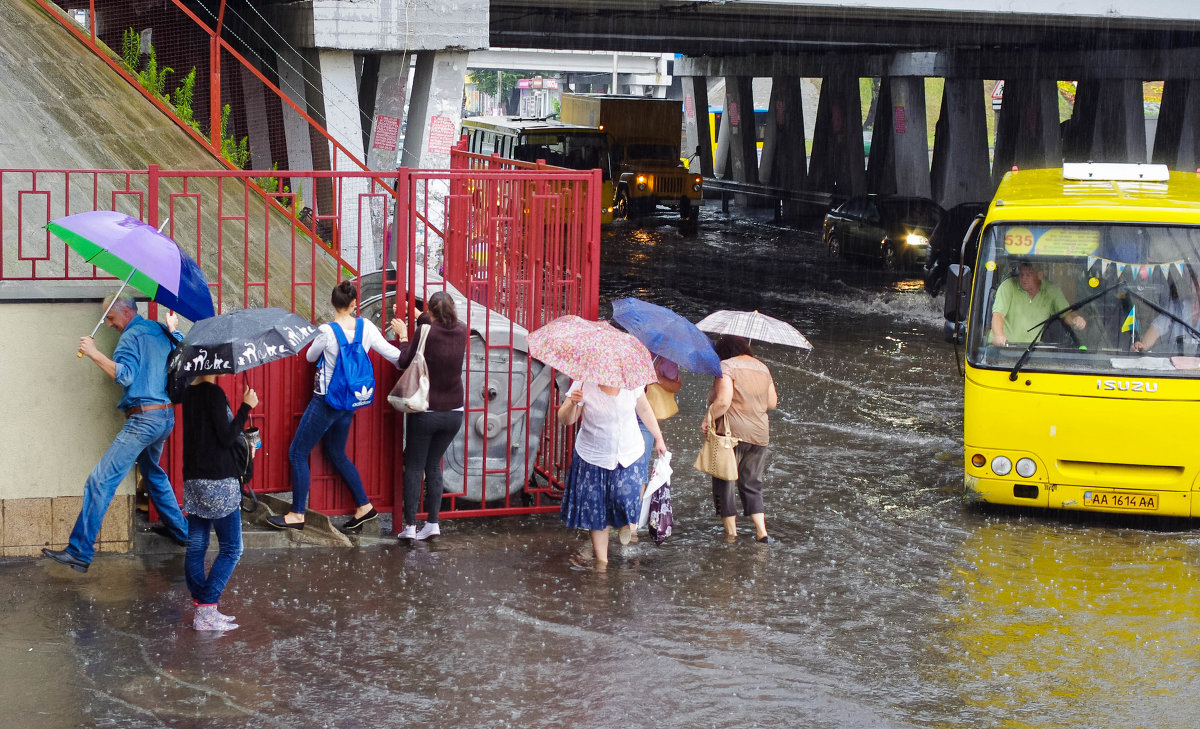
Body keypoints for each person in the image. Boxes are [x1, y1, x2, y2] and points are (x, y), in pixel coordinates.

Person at [43, 295, 190, 572]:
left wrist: (93, 353)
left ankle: (79, 551)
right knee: (153, 473)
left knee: (99, 481)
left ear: (124, 311)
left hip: (143, 419)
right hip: (165, 417)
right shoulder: (160, 329)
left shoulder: (130, 337)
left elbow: (125, 376)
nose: (109, 324)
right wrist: (174, 328)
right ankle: (183, 534)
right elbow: (182, 351)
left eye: (110, 317)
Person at [269, 281, 402, 531]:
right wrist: (407, 348)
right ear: (354, 304)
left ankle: (297, 514)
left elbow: (309, 357)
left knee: (297, 453)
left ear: (332, 302)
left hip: (327, 401)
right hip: (350, 401)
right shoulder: (367, 327)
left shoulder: (327, 331)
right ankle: (364, 506)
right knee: (336, 452)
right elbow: (392, 354)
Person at [557, 377, 667, 570]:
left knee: (625, 498)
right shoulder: (583, 383)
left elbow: (644, 409)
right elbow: (566, 420)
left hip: (629, 452)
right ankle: (602, 562)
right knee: (596, 510)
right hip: (593, 455)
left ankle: (624, 524)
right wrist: (573, 403)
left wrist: (658, 438)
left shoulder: (632, 381)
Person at [389, 291, 468, 542]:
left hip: (426, 411)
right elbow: (434, 322)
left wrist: (403, 336)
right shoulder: (463, 330)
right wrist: (419, 315)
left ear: (431, 313)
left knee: (414, 466)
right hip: (454, 412)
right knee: (434, 465)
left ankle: (410, 525)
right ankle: (432, 523)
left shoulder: (425, 332)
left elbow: (404, 360)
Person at [182, 374, 258, 631]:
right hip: (218, 479)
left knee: (197, 544)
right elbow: (226, 437)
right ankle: (206, 610)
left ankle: (201, 604)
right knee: (231, 548)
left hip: (194, 478)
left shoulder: (187, 393)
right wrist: (246, 407)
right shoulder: (212, 393)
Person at [704, 334, 778, 543]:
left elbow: (723, 402)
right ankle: (762, 532)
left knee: (724, 481)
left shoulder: (726, 367)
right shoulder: (763, 367)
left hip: (730, 434)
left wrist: (707, 418)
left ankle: (731, 534)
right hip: (759, 433)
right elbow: (772, 402)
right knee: (752, 483)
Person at [628, 354, 681, 544]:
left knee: (639, 467)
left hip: (644, 416)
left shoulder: (666, 358)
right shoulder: (633, 351)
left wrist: (656, 377)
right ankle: (624, 517)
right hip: (624, 411)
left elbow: (676, 385)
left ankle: (632, 521)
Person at [990, 261, 1087, 346]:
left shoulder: (1051, 290)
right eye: (1022, 274)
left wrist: (1075, 319)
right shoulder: (1008, 286)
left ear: (1039, 275)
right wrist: (999, 335)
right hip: (1003, 347)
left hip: (1029, 352)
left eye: (1029, 275)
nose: (1024, 279)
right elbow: (998, 315)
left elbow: (1066, 313)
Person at [1132, 275, 1200, 354]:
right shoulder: (1178, 306)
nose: (1194, 285)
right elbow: (1158, 326)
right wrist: (1143, 345)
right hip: (1175, 359)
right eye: (1194, 282)